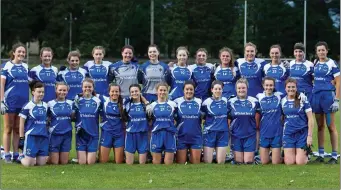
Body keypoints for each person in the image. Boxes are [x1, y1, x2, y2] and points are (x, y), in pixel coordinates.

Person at [235, 42, 267, 158]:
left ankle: (257, 150)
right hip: (242, 99)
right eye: (247, 51)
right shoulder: (238, 62)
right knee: (240, 125)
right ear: (244, 52)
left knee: (257, 125)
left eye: (252, 51)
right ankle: (235, 150)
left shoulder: (262, 63)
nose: (250, 53)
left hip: (257, 100)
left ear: (255, 52)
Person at [311, 41, 340, 164]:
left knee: (331, 126)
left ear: (327, 50)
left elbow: (338, 82)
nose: (321, 52)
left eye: (323, 50)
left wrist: (337, 100)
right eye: (319, 50)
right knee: (320, 126)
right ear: (316, 52)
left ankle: (334, 156)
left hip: (328, 97)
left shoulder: (331, 63)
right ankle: (321, 154)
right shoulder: (315, 63)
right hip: (316, 97)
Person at [0, 43, 29, 163]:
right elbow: (1, 84)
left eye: (23, 52)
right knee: (8, 128)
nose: (21, 54)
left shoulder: (26, 67)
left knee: (18, 129)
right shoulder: (6, 66)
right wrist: (1, 101)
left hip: (23, 104)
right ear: (13, 53)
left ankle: (16, 154)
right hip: (9, 103)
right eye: (19, 51)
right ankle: (6, 154)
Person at [282, 78, 314, 165]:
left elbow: (310, 118)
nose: (291, 89)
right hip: (288, 134)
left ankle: (306, 154)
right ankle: (285, 153)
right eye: (288, 87)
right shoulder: (282, 100)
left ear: (296, 88)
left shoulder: (303, 98)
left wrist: (309, 136)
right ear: (285, 88)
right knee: (289, 162)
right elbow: (282, 118)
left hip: (302, 134)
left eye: (293, 87)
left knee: (300, 162)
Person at [228, 78, 260, 164]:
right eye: (239, 88)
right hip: (236, 135)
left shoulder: (254, 101)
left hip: (250, 135)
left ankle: (256, 156)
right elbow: (228, 119)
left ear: (247, 88)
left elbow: (257, 118)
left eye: (243, 88)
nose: (241, 90)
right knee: (238, 161)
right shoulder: (231, 102)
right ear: (236, 89)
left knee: (248, 161)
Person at [19, 81, 48, 166]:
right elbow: (21, 123)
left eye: (43, 92)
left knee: (41, 164)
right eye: (39, 92)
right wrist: (21, 138)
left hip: (43, 137)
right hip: (31, 137)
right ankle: (20, 157)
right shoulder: (27, 106)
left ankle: (32, 157)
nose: (41, 94)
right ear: (33, 92)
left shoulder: (46, 105)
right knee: (29, 164)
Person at [147, 82, 177, 165]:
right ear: (157, 91)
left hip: (169, 134)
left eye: (165, 90)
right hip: (157, 134)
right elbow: (149, 121)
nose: (162, 92)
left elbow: (177, 118)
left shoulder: (173, 104)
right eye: (160, 90)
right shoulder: (152, 106)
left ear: (167, 91)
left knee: (168, 163)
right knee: (156, 163)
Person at [73, 78, 102, 165]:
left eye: (89, 87)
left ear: (93, 88)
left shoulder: (98, 101)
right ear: (82, 87)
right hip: (81, 134)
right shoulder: (77, 99)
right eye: (85, 87)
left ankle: (93, 155)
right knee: (82, 163)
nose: (87, 89)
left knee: (90, 162)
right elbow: (72, 115)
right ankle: (80, 157)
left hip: (93, 135)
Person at [256, 77, 283, 164]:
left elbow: (292, 94)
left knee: (275, 162)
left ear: (274, 86)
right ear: (263, 85)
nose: (269, 87)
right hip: (264, 132)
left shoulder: (279, 96)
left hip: (277, 133)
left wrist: (300, 95)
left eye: (271, 85)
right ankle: (272, 154)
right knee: (264, 162)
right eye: (267, 85)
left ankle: (283, 155)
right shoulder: (259, 97)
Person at [173, 81, 202, 164]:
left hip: (196, 137)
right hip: (181, 136)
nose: (189, 91)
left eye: (191, 89)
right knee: (181, 163)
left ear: (194, 90)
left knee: (195, 163)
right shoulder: (176, 102)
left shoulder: (199, 102)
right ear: (183, 90)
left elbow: (205, 116)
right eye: (187, 89)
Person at [201, 80, 228, 164]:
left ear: (222, 90)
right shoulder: (206, 102)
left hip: (222, 133)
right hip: (209, 132)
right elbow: (202, 116)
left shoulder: (226, 101)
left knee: (220, 162)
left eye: (219, 89)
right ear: (212, 90)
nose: (218, 91)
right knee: (207, 161)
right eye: (215, 89)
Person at [47, 82, 73, 165]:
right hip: (55, 134)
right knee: (54, 162)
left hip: (67, 134)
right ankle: (45, 157)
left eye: (64, 90)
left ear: (67, 91)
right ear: (56, 90)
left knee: (64, 162)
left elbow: (74, 117)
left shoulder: (71, 103)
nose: (62, 92)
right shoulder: (50, 103)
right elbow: (46, 119)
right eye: (60, 90)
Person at [98, 83, 125, 163]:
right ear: (109, 92)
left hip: (119, 134)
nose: (114, 93)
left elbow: (137, 96)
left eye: (116, 91)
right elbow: (90, 92)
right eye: (112, 91)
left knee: (119, 162)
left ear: (119, 92)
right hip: (107, 133)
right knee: (103, 161)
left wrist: (146, 102)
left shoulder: (124, 102)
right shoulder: (103, 99)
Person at [124, 84, 149, 164]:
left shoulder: (145, 105)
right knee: (129, 163)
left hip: (142, 134)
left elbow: (150, 117)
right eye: (132, 92)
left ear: (140, 92)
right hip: (130, 134)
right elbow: (122, 101)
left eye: (136, 91)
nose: (134, 93)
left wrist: (145, 101)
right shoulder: (128, 104)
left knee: (142, 163)